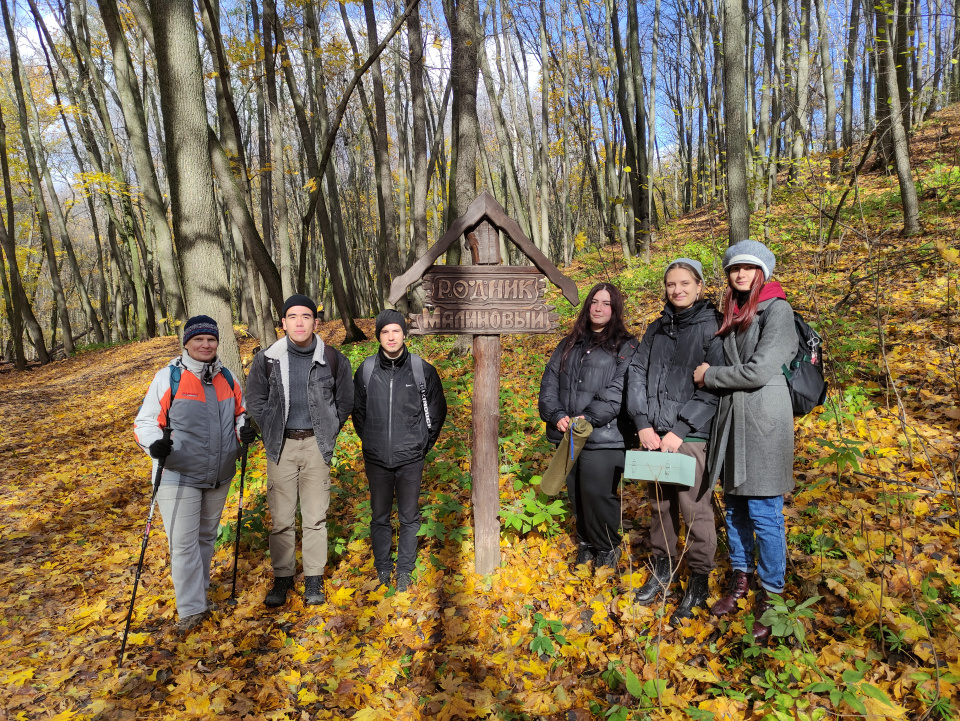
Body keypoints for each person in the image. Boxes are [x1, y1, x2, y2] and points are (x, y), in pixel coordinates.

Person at [693, 240, 798, 642]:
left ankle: (772, 595)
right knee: (735, 506)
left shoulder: (779, 310)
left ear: (763, 272)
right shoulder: (732, 311)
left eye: (749, 268)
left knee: (765, 513)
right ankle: (742, 578)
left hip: (765, 421)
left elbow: (757, 372)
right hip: (732, 420)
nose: (740, 274)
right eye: (734, 268)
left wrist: (709, 376)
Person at [134, 315, 255, 632]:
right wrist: (154, 444)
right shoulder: (169, 378)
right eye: (198, 339)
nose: (205, 344)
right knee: (184, 544)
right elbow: (145, 423)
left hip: (219, 473)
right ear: (186, 342)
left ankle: (198, 598)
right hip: (178, 473)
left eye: (211, 339)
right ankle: (191, 610)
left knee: (204, 538)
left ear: (217, 343)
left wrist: (246, 432)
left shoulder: (227, 377)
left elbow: (240, 416)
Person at [626, 259, 723, 624]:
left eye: (685, 283)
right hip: (653, 436)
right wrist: (642, 424)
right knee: (659, 508)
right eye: (671, 284)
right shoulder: (657, 329)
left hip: (690, 438)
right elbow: (637, 373)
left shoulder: (713, 328)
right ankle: (662, 569)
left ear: (699, 286)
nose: (677, 290)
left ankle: (698, 580)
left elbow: (715, 386)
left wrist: (679, 430)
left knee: (694, 511)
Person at [246, 294, 354, 607]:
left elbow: (345, 399)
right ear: (283, 323)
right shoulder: (267, 359)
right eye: (292, 316)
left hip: (316, 446)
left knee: (315, 517)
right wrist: (270, 427)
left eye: (305, 317)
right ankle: (282, 580)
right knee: (281, 517)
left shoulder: (332, 358)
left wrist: (330, 427)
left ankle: (314, 581)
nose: (299, 322)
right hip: (281, 447)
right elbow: (255, 399)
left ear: (315, 322)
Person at [538, 283, 637, 570]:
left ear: (615, 309)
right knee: (576, 493)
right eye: (594, 302)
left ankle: (607, 547)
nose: (598, 308)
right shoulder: (570, 343)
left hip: (605, 437)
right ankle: (586, 544)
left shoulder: (627, 346)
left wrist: (589, 417)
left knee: (597, 493)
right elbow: (549, 382)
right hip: (568, 434)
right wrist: (555, 413)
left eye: (606, 303)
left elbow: (620, 389)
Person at [353, 310, 447, 592]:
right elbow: (358, 413)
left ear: (404, 334)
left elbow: (436, 412)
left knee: (409, 517)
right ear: (378, 336)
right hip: (376, 459)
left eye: (396, 331)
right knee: (379, 516)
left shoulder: (422, 370)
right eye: (385, 332)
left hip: (410, 459)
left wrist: (421, 445)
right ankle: (383, 566)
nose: (391, 337)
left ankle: (404, 569)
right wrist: (372, 440)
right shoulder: (367, 370)